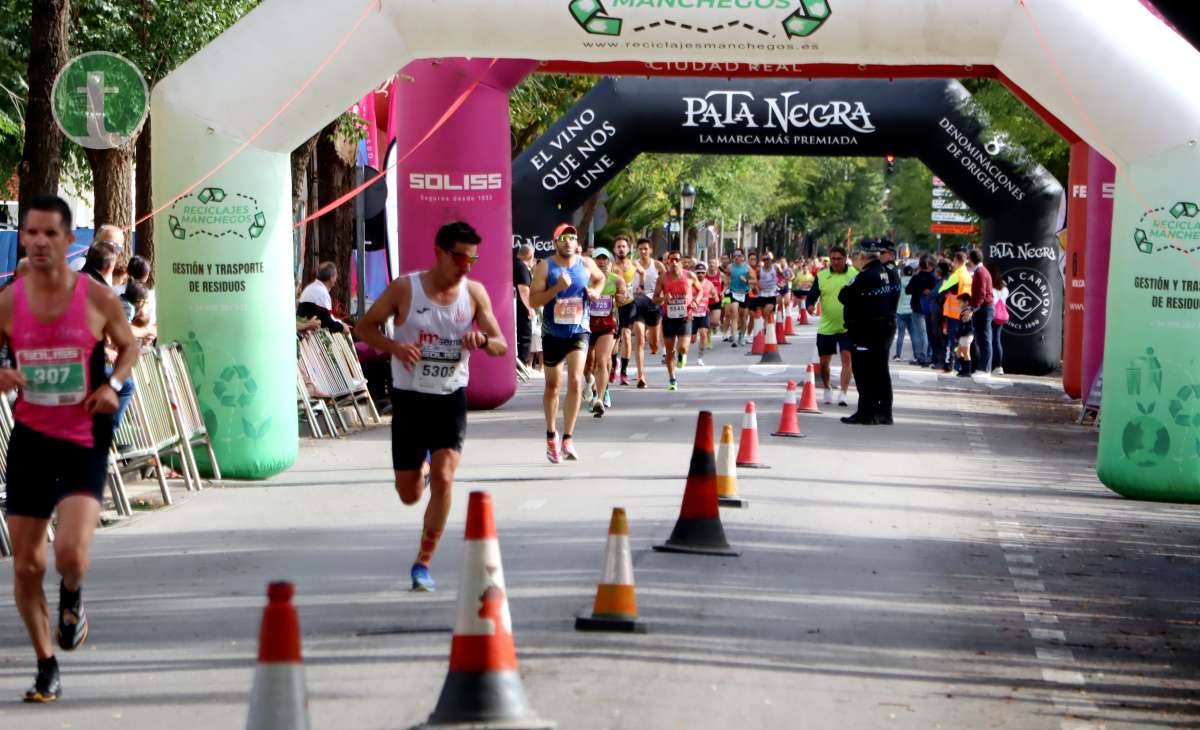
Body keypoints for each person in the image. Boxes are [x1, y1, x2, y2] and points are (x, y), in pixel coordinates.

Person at [1, 195, 138, 702]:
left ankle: (74, 595)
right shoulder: (10, 300)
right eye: (30, 233)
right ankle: (45, 665)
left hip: (83, 435)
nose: (37, 242)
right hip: (32, 437)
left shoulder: (96, 298)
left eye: (48, 234)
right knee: (26, 564)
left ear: (68, 240)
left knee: (70, 554)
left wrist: (113, 384)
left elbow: (130, 345)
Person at [353, 221, 507, 592]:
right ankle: (418, 468)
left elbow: (501, 343)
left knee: (445, 477)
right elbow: (364, 328)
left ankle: (423, 563)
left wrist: (481, 338)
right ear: (439, 251)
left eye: (472, 259)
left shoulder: (474, 294)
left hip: (450, 396)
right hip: (410, 398)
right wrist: (395, 347)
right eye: (460, 257)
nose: (466, 266)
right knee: (409, 495)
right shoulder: (406, 289)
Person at [529, 223, 604, 463]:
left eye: (572, 237)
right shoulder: (545, 267)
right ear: (555, 242)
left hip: (579, 330)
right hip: (552, 333)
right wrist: (556, 288)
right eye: (563, 238)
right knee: (553, 386)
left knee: (574, 380)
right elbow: (533, 301)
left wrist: (595, 291)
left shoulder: (586, 264)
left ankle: (568, 438)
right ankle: (552, 436)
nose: (568, 241)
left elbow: (600, 279)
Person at [838, 240, 901, 425]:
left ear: (863, 256)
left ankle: (867, 412)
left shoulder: (865, 275)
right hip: (886, 324)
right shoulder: (890, 273)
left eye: (856, 256)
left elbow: (844, 295)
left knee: (864, 370)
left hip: (867, 328)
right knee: (880, 370)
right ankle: (883, 412)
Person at [808, 245, 858, 406]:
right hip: (827, 326)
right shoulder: (822, 275)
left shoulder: (854, 274)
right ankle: (828, 388)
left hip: (848, 325)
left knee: (847, 358)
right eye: (833, 259)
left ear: (845, 259)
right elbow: (812, 294)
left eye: (839, 259)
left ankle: (843, 393)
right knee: (824, 362)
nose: (835, 262)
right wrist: (810, 305)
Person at [584, 247, 625, 417]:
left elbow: (624, 296)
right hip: (586, 325)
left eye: (604, 259)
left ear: (609, 261)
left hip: (608, 325)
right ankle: (591, 386)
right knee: (588, 365)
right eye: (597, 259)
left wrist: (620, 297)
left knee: (602, 361)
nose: (601, 262)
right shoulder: (584, 279)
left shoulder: (616, 280)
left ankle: (600, 398)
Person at [653, 250, 697, 391]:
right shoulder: (662, 278)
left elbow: (700, 290)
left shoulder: (689, 275)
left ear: (681, 261)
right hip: (669, 317)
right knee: (669, 350)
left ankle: (682, 355)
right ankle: (672, 379)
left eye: (676, 259)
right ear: (667, 262)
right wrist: (663, 298)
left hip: (685, 317)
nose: (673, 262)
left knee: (683, 348)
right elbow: (655, 298)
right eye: (670, 260)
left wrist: (696, 300)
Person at [630, 239, 664, 388]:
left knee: (654, 343)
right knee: (639, 339)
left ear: (650, 250)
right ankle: (640, 375)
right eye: (640, 249)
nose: (643, 251)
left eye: (645, 249)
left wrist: (663, 297)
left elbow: (666, 281)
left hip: (653, 305)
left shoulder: (657, 265)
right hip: (637, 304)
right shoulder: (633, 265)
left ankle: (654, 341)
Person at [611, 236, 641, 386]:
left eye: (624, 246)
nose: (621, 249)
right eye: (618, 246)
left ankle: (623, 372)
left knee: (626, 335)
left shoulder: (633, 264)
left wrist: (640, 286)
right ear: (614, 249)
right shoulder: (610, 266)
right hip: (614, 306)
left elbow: (643, 273)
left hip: (629, 304)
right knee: (614, 339)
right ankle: (613, 365)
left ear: (628, 249)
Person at [967, 248, 995, 376]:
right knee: (982, 339)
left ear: (971, 259)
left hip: (984, 309)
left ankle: (985, 368)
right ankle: (984, 367)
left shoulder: (980, 272)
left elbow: (981, 293)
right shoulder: (981, 271)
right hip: (984, 308)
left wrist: (973, 308)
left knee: (984, 339)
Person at [297, 262, 346, 333]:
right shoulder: (322, 293)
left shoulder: (311, 287)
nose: (336, 278)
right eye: (336, 275)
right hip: (310, 337)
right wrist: (342, 327)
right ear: (331, 278)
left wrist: (341, 324)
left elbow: (325, 318)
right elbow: (327, 324)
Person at [906, 255, 936, 366]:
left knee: (919, 333)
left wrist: (918, 290)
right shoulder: (934, 277)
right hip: (931, 308)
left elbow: (907, 290)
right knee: (928, 333)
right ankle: (928, 355)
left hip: (917, 307)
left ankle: (920, 356)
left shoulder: (916, 277)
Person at [513, 244, 535, 367]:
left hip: (517, 306)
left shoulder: (516, 265)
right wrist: (529, 308)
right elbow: (523, 289)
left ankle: (521, 364)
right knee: (525, 336)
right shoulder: (521, 267)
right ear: (530, 255)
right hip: (521, 307)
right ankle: (523, 364)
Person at [691, 261, 717, 366]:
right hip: (691, 314)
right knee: (692, 340)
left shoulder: (709, 284)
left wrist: (714, 297)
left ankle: (700, 358)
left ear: (705, 273)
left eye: (702, 272)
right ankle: (681, 355)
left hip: (703, 313)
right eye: (698, 272)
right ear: (695, 273)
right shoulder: (690, 283)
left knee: (703, 334)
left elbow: (715, 296)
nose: (700, 274)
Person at [728, 249, 751, 346]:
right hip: (733, 292)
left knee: (743, 317)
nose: (737, 257)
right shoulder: (730, 267)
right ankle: (734, 338)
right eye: (735, 256)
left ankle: (741, 336)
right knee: (734, 313)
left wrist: (745, 280)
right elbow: (727, 277)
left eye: (739, 256)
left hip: (744, 293)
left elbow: (753, 279)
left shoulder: (747, 267)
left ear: (742, 257)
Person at [893, 264, 915, 361]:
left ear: (903, 272)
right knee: (913, 335)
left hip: (900, 311)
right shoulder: (914, 282)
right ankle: (916, 355)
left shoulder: (899, 281)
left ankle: (898, 355)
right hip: (911, 311)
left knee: (900, 335)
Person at [954, 291, 976, 378]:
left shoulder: (968, 311)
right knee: (958, 352)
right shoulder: (964, 311)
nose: (958, 304)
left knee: (966, 353)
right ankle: (963, 369)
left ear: (966, 302)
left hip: (967, 334)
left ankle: (967, 371)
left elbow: (965, 325)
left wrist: (960, 333)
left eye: (960, 302)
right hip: (962, 335)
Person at [991, 274, 1008, 375]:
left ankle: (995, 366)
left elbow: (993, 302)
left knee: (993, 341)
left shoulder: (992, 290)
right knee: (997, 340)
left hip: (994, 316)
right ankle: (999, 366)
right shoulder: (1005, 290)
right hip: (1002, 316)